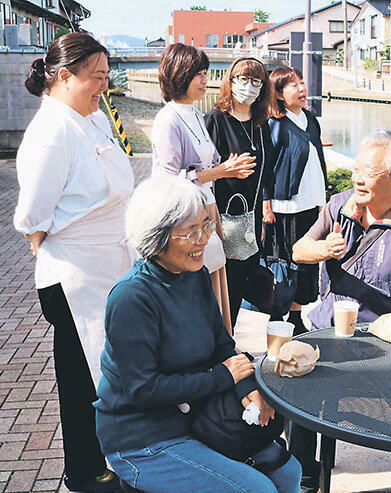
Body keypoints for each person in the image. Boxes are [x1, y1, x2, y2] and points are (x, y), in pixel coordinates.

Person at [94, 176, 302, 493]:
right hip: (141, 438)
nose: (204, 239)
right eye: (192, 232)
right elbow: (142, 390)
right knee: (257, 490)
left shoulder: (195, 275)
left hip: (198, 419)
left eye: (206, 226)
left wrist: (245, 387)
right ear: (156, 237)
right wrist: (223, 378)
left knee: (289, 473)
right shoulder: (131, 299)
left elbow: (222, 345)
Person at [292, 129, 391, 493]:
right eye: (356, 168)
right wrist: (323, 250)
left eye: (369, 171)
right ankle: (304, 477)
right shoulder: (339, 205)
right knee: (294, 384)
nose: (357, 177)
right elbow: (299, 250)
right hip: (331, 333)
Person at [13, 32, 133, 492]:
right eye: (96, 77)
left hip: (109, 267)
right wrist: (57, 249)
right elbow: (33, 218)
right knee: (81, 378)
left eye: (106, 76)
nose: (103, 86)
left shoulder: (91, 117)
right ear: (64, 76)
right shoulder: (50, 133)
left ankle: (109, 456)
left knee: (105, 371)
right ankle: (84, 471)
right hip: (75, 278)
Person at [150, 42, 255, 334]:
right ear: (179, 74)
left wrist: (225, 166)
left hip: (206, 209)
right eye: (199, 73)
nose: (205, 80)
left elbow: (208, 162)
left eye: (206, 73)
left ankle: (217, 346)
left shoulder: (196, 114)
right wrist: (220, 171)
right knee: (195, 284)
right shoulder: (167, 119)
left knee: (212, 278)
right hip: (182, 217)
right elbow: (169, 179)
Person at [205, 57, 275, 325]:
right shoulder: (215, 120)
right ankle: (219, 347)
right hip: (222, 220)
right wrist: (226, 169)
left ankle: (229, 340)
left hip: (251, 219)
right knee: (221, 285)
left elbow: (267, 171)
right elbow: (203, 171)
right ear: (230, 82)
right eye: (243, 79)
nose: (250, 86)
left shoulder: (261, 124)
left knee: (242, 282)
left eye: (256, 81)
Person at [265, 67, 328, 333]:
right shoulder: (273, 124)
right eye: (293, 85)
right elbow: (267, 167)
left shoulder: (311, 119)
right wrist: (266, 203)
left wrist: (324, 200)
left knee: (307, 261)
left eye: (301, 83)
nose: (301, 89)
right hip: (285, 206)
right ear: (278, 94)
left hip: (310, 203)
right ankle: (278, 315)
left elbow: (318, 161)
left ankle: (296, 315)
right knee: (286, 261)